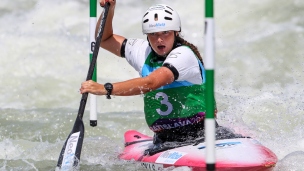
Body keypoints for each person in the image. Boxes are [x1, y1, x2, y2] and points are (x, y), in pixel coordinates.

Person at [80, 0, 218, 145]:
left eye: (165, 33)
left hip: (202, 135)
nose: (159, 39)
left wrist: (105, 88)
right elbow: (104, 39)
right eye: (153, 34)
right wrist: (110, 10)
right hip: (164, 140)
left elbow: (150, 83)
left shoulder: (185, 55)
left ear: (176, 32)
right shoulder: (142, 50)